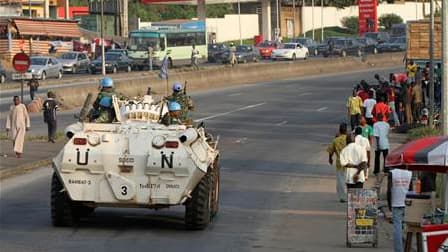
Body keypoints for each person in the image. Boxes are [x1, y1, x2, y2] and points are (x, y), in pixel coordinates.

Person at [387, 168, 412, 252]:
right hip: (407, 203)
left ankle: (399, 250)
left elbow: (389, 191)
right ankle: (407, 247)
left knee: (397, 227)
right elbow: (411, 190)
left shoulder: (392, 173)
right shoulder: (410, 173)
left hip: (395, 202)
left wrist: (389, 204)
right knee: (407, 226)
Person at [327, 123, 348, 203]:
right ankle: (350, 196)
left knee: (340, 181)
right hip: (350, 163)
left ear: (339, 130)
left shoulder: (335, 140)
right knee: (349, 180)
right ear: (346, 131)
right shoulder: (349, 139)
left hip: (340, 163)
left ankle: (342, 197)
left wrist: (330, 158)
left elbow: (330, 150)